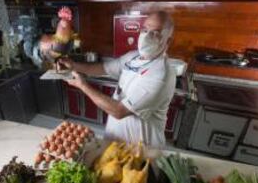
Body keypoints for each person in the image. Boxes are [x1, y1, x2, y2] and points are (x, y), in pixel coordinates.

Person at [57, 11, 177, 147]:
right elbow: (104, 68)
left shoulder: (161, 74)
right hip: (114, 141)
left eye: (155, 32)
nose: (147, 35)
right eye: (145, 29)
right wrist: (74, 65)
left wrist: (83, 86)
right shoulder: (133, 57)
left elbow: (119, 111)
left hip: (141, 152)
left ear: (168, 41)